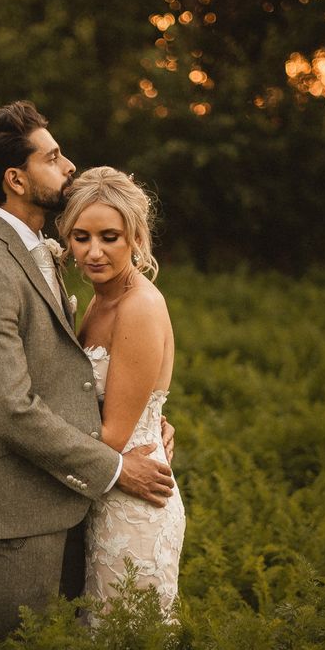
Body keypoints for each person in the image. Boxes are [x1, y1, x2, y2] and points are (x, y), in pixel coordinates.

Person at [0, 101, 175, 637]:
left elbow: (62, 374)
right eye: (54, 157)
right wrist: (117, 465)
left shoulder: (43, 257)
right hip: (13, 514)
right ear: (16, 179)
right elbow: (10, 407)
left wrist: (146, 423)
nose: (69, 168)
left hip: (66, 499)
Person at [56, 166, 186, 614]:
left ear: (135, 237)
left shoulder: (140, 306)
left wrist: (9, 427)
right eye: (81, 236)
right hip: (102, 486)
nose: (93, 252)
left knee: (126, 643)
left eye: (109, 237)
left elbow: (113, 434)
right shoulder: (100, 298)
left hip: (134, 503)